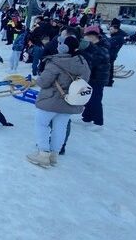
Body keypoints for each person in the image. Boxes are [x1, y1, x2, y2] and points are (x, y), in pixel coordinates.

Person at [26, 37, 91, 168]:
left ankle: (43, 153)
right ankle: (54, 155)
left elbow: (44, 82)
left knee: (42, 125)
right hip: (70, 101)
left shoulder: (56, 62)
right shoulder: (83, 63)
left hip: (51, 100)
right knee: (60, 128)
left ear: (63, 48)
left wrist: (36, 80)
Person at [80, 26, 110, 128]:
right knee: (87, 97)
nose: (84, 38)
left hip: (98, 78)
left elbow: (94, 61)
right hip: (91, 76)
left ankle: (98, 122)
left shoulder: (102, 47)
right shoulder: (94, 46)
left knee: (95, 99)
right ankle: (87, 117)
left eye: (86, 36)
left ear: (93, 36)